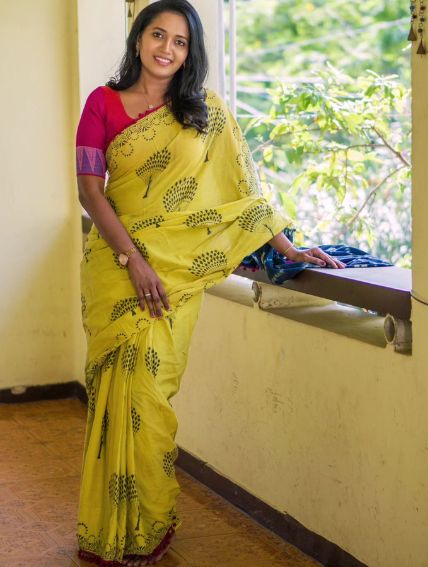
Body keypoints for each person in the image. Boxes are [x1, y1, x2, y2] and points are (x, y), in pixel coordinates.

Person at [76, 1, 345, 565]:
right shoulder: (100, 104)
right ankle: (105, 532)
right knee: (113, 397)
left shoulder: (206, 113)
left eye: (180, 41)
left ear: (190, 52)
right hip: (117, 266)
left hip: (176, 271)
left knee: (148, 397)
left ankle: (144, 528)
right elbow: (91, 191)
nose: (166, 49)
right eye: (158, 35)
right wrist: (134, 260)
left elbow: (241, 191)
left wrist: (289, 247)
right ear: (139, 39)